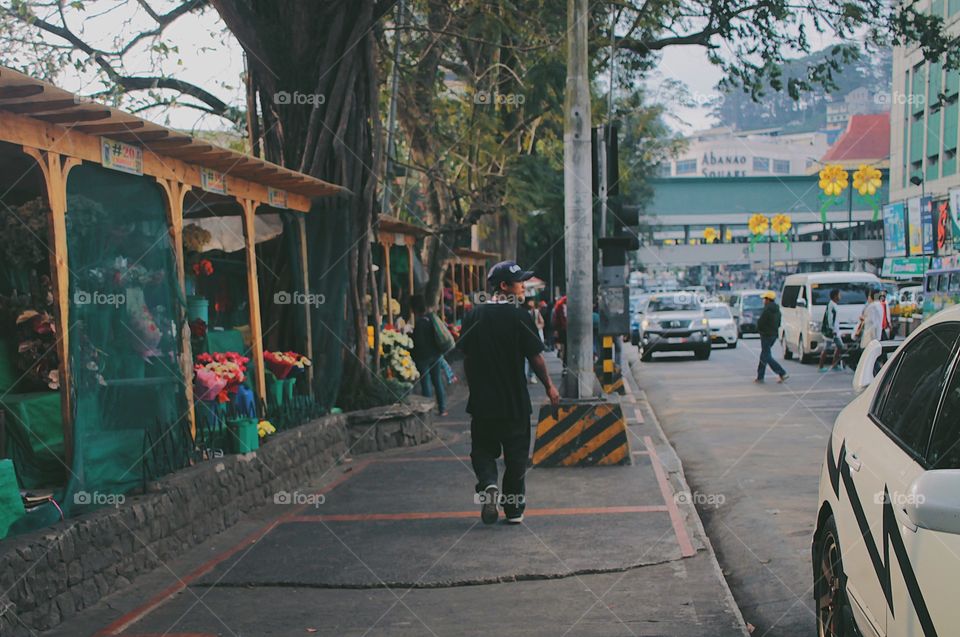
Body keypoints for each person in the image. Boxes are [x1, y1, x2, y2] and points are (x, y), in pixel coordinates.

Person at [458, 261, 560, 525]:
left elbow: (466, 357)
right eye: (519, 282)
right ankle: (513, 509)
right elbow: (535, 357)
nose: (523, 286)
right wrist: (549, 385)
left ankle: (488, 484)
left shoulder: (473, 315)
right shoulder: (519, 315)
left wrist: (473, 386)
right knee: (516, 459)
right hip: (514, 403)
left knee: (482, 450)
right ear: (504, 286)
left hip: (483, 404)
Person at [411, 295, 448, 416]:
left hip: (423, 358)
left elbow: (419, 342)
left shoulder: (419, 323)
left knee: (426, 382)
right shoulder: (431, 319)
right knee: (437, 381)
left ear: (414, 309)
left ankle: (428, 410)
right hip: (435, 355)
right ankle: (442, 408)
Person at [755, 290, 789, 383]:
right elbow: (778, 323)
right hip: (773, 335)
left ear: (768, 300)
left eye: (765, 299)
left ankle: (782, 372)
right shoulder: (777, 310)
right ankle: (760, 376)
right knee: (764, 355)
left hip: (765, 335)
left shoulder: (766, 310)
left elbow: (761, 322)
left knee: (766, 356)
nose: (763, 301)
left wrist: (759, 329)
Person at [818, 288, 844, 372]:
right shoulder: (831, 305)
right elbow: (830, 319)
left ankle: (834, 364)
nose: (840, 296)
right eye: (839, 295)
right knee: (829, 347)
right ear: (835, 296)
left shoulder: (834, 305)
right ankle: (822, 366)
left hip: (835, 331)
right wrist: (832, 330)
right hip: (831, 331)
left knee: (837, 346)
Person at [525, 299, 545, 383]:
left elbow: (542, 322)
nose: (531, 303)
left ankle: (532, 375)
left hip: (535, 336)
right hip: (526, 336)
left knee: (534, 356)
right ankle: (525, 376)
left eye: (532, 301)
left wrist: (537, 327)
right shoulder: (523, 312)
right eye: (529, 301)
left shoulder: (536, 312)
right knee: (526, 359)